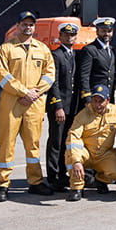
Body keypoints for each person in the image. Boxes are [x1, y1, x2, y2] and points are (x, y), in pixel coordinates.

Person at [0, 11, 56, 201]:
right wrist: (23, 92)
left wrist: (35, 92)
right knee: (6, 145)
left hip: (34, 103)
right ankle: (3, 185)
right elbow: (1, 75)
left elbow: (49, 74)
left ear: (34, 27)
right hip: (11, 103)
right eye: (24, 24)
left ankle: (35, 181)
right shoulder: (6, 49)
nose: (27, 27)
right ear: (17, 26)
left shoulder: (43, 49)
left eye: (31, 25)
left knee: (33, 145)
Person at [64, 84, 116, 202]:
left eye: (101, 101)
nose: (97, 104)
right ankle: (76, 188)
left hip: (104, 154)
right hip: (86, 152)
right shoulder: (82, 115)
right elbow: (73, 137)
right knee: (71, 156)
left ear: (108, 101)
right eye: (94, 101)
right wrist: (76, 161)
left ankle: (99, 180)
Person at [46, 22, 81, 191]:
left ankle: (62, 175)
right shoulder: (56, 55)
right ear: (60, 37)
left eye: (72, 35)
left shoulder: (76, 55)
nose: (69, 38)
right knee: (56, 142)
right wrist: (58, 106)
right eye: (66, 35)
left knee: (67, 142)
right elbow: (53, 84)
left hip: (72, 107)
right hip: (59, 107)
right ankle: (53, 177)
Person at [77, 17, 116, 103]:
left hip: (108, 98)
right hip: (95, 98)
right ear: (97, 31)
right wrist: (87, 97)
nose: (107, 34)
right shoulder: (89, 49)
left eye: (109, 31)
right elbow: (84, 76)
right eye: (103, 31)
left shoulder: (112, 50)